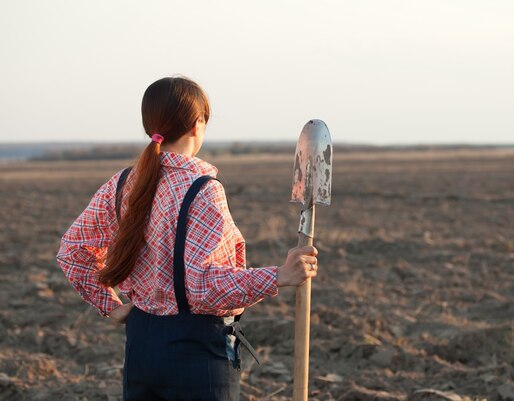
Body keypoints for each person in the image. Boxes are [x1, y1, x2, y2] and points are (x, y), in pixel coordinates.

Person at [56, 76, 318, 401]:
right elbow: (203, 288)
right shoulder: (203, 189)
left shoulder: (123, 183)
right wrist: (280, 275)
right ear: (197, 125)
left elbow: (72, 251)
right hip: (195, 357)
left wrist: (111, 306)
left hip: (140, 347)